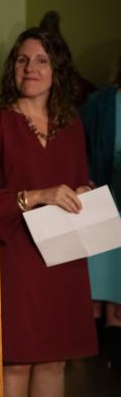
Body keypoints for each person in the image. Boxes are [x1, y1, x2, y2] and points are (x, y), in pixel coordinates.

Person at [0, 27, 97, 397]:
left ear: (56, 69)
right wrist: (37, 196)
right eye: (22, 59)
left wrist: (83, 192)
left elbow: (80, 181)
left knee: (54, 361)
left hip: (64, 257)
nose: (30, 68)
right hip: (18, 259)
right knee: (16, 362)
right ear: (13, 68)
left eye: (42, 60)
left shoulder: (72, 126)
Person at [79, 54, 121, 372]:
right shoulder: (99, 104)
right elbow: (80, 145)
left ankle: (113, 352)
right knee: (100, 277)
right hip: (103, 198)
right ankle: (93, 356)